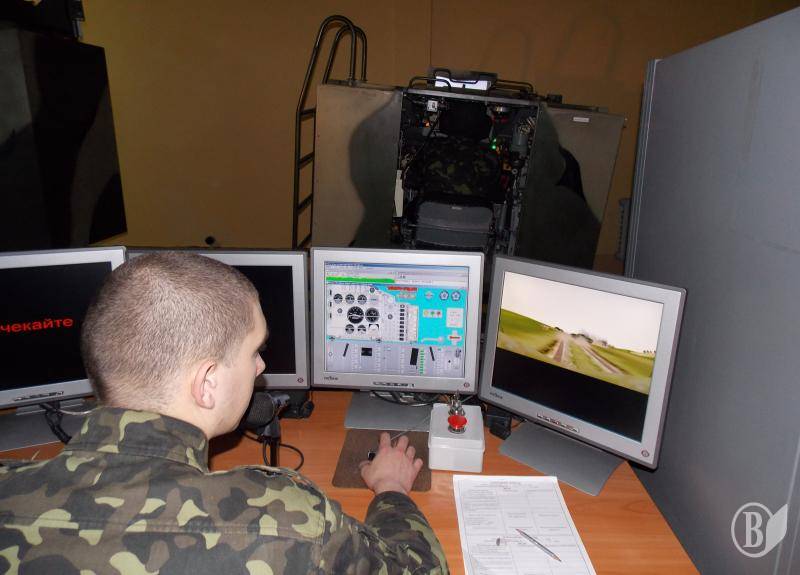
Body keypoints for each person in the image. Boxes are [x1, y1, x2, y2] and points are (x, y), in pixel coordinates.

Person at [0, 252, 448, 574]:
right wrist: (391, 489)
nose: (261, 367)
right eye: (253, 352)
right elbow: (421, 569)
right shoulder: (287, 519)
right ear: (207, 382)